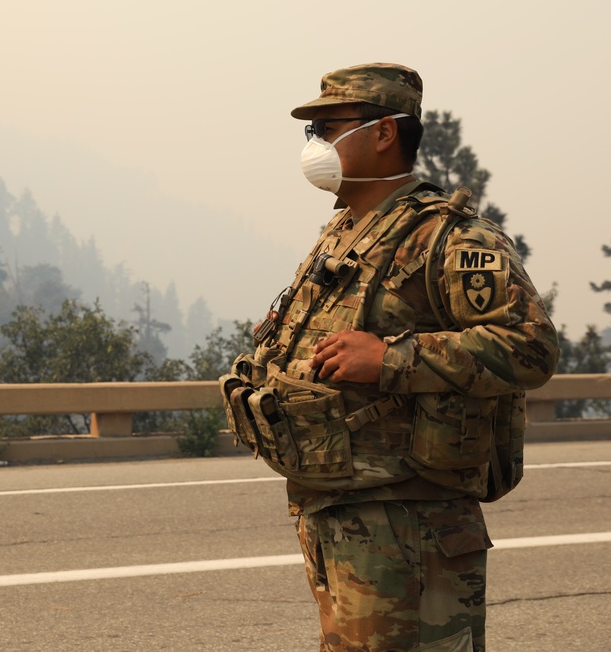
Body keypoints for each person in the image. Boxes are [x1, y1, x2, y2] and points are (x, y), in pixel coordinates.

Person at [229, 63, 559, 651]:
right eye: (313, 130)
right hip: (337, 510)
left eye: (329, 127)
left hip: (411, 521)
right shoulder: (344, 233)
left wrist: (391, 357)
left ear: (384, 132)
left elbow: (530, 347)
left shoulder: (452, 239)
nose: (316, 143)